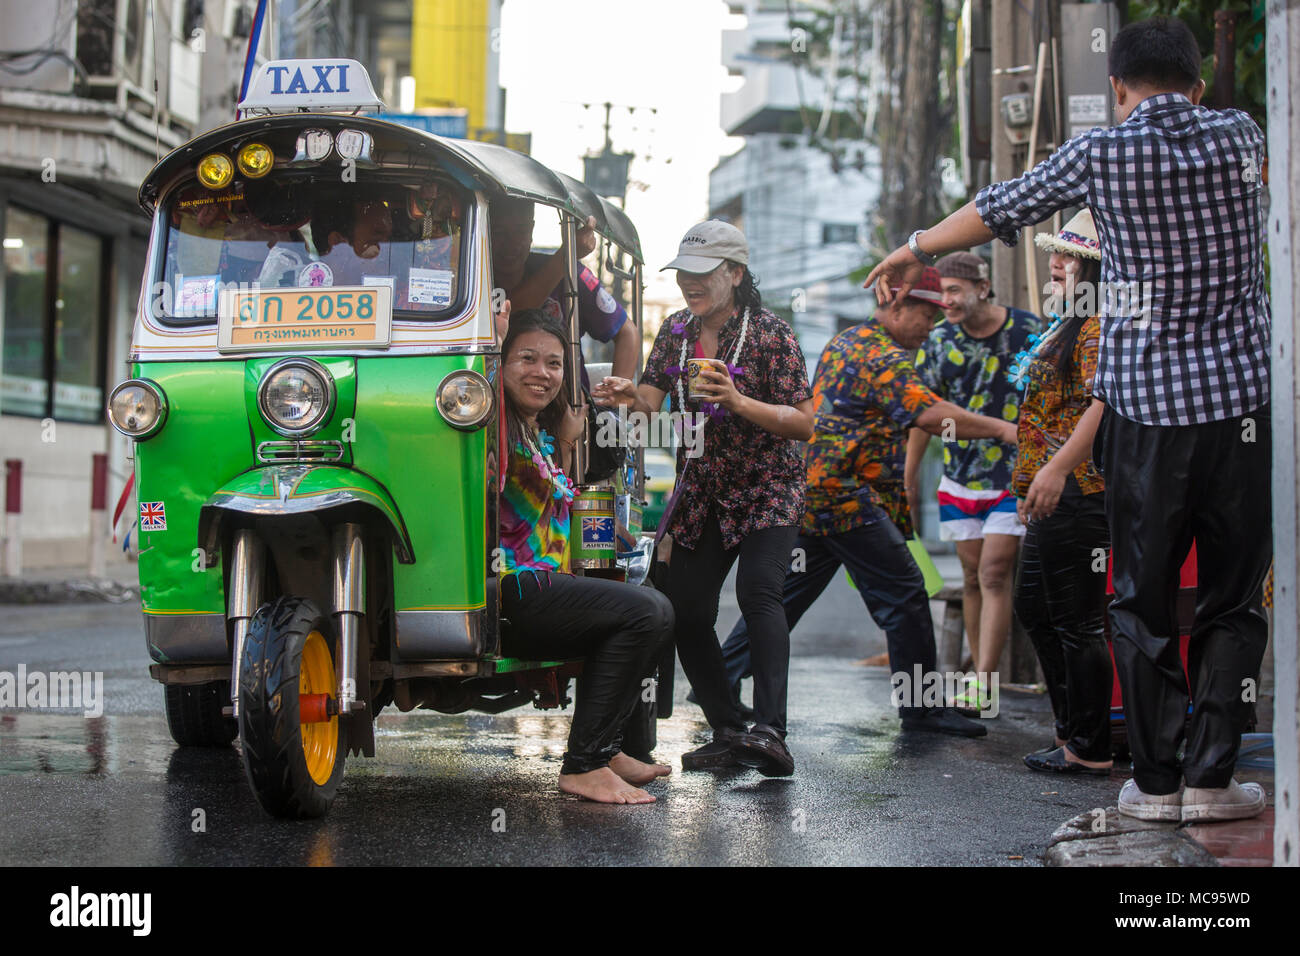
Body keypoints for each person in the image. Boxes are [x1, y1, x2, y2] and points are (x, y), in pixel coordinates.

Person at [865, 16, 1269, 822]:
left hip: (1144, 415)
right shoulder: (1241, 133)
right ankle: (1214, 781)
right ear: (1196, 82)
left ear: (1118, 87)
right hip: (1239, 412)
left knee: (1139, 598)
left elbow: (998, 206)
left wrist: (916, 245)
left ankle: (1155, 787)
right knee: (1230, 602)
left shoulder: (1102, 151)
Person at [719, 269, 1014, 737]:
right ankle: (921, 710)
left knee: (787, 596)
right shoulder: (880, 354)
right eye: (925, 314)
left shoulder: (845, 341)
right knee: (906, 595)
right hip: (844, 499)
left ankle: (722, 677)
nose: (931, 326)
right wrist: (1002, 428)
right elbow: (930, 414)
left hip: (815, 492)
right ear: (896, 307)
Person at [593, 220, 814, 777]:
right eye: (684, 273)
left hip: (768, 486)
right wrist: (629, 395)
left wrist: (739, 402)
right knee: (686, 611)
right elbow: (649, 399)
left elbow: (804, 424)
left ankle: (771, 732)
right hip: (704, 488)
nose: (690, 283)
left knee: (760, 594)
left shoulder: (771, 335)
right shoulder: (675, 331)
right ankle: (727, 728)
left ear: (734, 275)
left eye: (702, 274)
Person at [495, 307, 676, 804]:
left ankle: (606, 749)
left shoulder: (540, 433)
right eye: (526, 358)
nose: (542, 373)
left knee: (650, 599)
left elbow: (560, 502)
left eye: (554, 364)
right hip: (511, 587)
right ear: (499, 363)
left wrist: (571, 441)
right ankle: (583, 764)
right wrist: (489, 343)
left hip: (547, 583)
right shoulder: (493, 424)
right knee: (647, 613)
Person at [906, 252, 1040, 714]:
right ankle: (977, 681)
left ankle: (985, 682)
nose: (946, 300)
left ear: (983, 287)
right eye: (941, 291)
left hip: (1015, 474)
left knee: (995, 573)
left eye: (955, 290)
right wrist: (907, 481)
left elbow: (1051, 400)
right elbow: (919, 416)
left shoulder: (1028, 332)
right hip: (959, 477)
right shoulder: (938, 341)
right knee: (971, 578)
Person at [1012, 210, 1112, 775]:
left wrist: (1057, 470)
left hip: (1078, 488)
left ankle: (1090, 746)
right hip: (1047, 490)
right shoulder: (1066, 322)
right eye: (1058, 252)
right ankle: (1071, 729)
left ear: (1098, 270)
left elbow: (1104, 404)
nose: (1058, 261)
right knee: (1035, 607)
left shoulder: (1096, 326)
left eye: (1073, 257)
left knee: (1079, 623)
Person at [490, 197, 639, 383]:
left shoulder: (569, 274)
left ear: (532, 230)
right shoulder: (470, 282)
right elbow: (512, 315)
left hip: (568, 405)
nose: (510, 243)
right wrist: (566, 254)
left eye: (520, 231)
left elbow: (627, 332)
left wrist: (617, 398)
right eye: (499, 232)